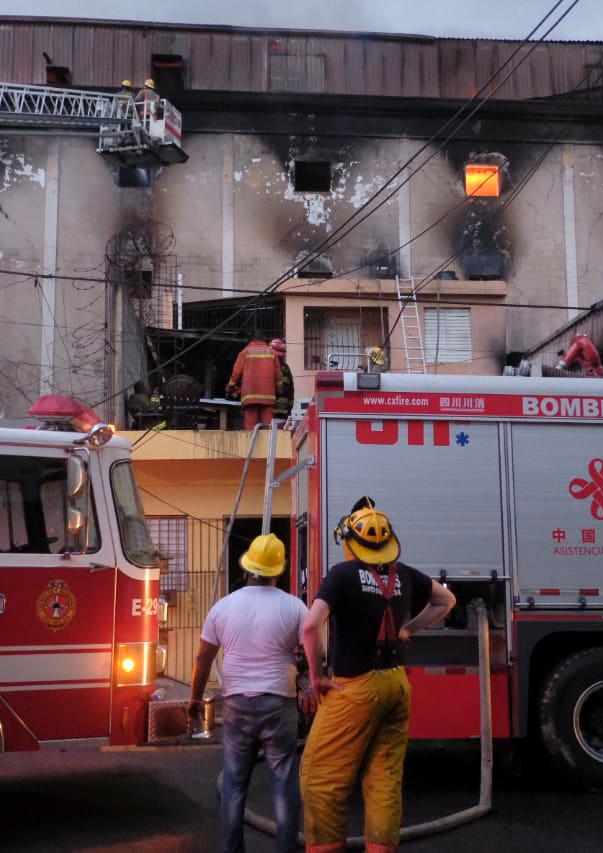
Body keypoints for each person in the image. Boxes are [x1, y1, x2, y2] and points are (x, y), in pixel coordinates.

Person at [299, 498, 456, 853]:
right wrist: (410, 629)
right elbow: (446, 601)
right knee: (384, 780)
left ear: (349, 542)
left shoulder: (341, 575)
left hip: (356, 687)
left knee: (320, 778)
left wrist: (316, 675)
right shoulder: (405, 574)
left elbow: (310, 627)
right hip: (396, 684)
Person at [189, 533, 315, 853]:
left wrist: (195, 698)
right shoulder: (295, 607)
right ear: (278, 570)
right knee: (283, 783)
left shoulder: (223, 607)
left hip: (236, 705)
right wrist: (308, 684)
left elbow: (203, 657)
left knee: (233, 785)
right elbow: (314, 653)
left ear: (247, 567)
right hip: (279, 703)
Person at [226, 334, 282, 429]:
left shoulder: (245, 352)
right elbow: (278, 375)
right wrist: (279, 390)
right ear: (264, 340)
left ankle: (251, 443)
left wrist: (229, 388)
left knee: (250, 428)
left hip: (250, 396)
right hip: (268, 396)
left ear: (252, 340)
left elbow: (236, 373)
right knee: (268, 427)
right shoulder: (272, 353)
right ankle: (268, 444)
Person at [271, 338, 294, 421]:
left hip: (274, 411)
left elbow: (291, 388)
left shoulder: (284, 367)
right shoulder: (285, 367)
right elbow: (291, 389)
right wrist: (289, 407)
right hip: (281, 411)